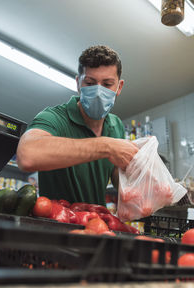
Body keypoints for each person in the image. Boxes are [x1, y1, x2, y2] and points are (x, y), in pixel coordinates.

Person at [17, 45, 138, 206]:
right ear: (78, 83)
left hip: (97, 223)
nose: (98, 92)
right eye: (90, 82)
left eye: (107, 84)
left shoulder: (116, 126)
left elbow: (117, 174)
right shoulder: (54, 117)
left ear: (119, 87)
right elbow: (27, 155)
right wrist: (106, 146)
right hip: (54, 223)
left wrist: (141, 175)